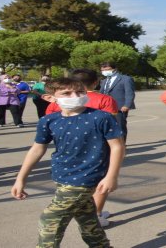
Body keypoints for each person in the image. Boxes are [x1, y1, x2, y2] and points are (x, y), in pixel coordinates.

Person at [11, 77, 125, 247]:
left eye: (80, 92)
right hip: (61, 176)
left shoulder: (101, 117)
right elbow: (37, 149)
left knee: (50, 218)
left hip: (85, 178)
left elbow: (118, 146)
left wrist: (111, 176)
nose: (75, 96)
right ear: (50, 98)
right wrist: (20, 179)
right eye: (67, 93)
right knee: (88, 222)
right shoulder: (48, 120)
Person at [45, 69, 120, 227]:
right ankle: (96, 214)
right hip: (98, 152)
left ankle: (91, 218)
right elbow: (112, 129)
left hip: (66, 154)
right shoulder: (105, 99)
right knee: (100, 183)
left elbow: (50, 124)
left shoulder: (57, 100)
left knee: (76, 188)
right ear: (95, 82)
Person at [99, 62, 135, 140]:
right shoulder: (104, 81)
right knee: (107, 126)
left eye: (107, 69)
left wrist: (127, 105)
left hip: (119, 107)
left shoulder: (125, 79)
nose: (104, 71)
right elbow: (101, 93)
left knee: (120, 126)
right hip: (104, 107)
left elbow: (130, 93)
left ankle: (122, 145)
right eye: (102, 70)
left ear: (115, 69)